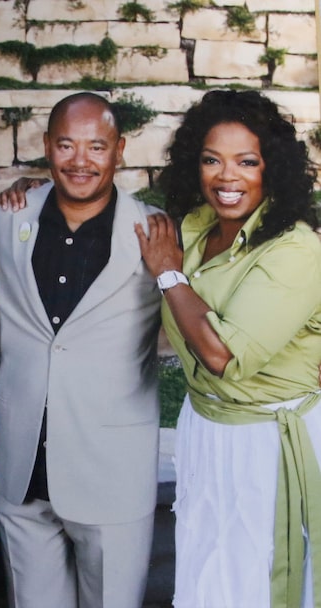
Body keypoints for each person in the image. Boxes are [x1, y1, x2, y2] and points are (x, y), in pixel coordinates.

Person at [135, 89, 321, 608]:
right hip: (207, 426)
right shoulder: (196, 227)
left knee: (261, 573)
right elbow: (104, 212)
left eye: (246, 161)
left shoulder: (295, 250)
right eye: (212, 160)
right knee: (210, 566)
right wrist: (35, 191)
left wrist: (170, 275)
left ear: (273, 169)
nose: (226, 176)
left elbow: (223, 357)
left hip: (266, 440)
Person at [0, 92, 162, 608]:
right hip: (22, 472)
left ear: (120, 150)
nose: (80, 160)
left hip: (110, 470)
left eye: (96, 146)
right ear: (46, 147)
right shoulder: (6, 218)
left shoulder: (156, 230)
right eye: (66, 145)